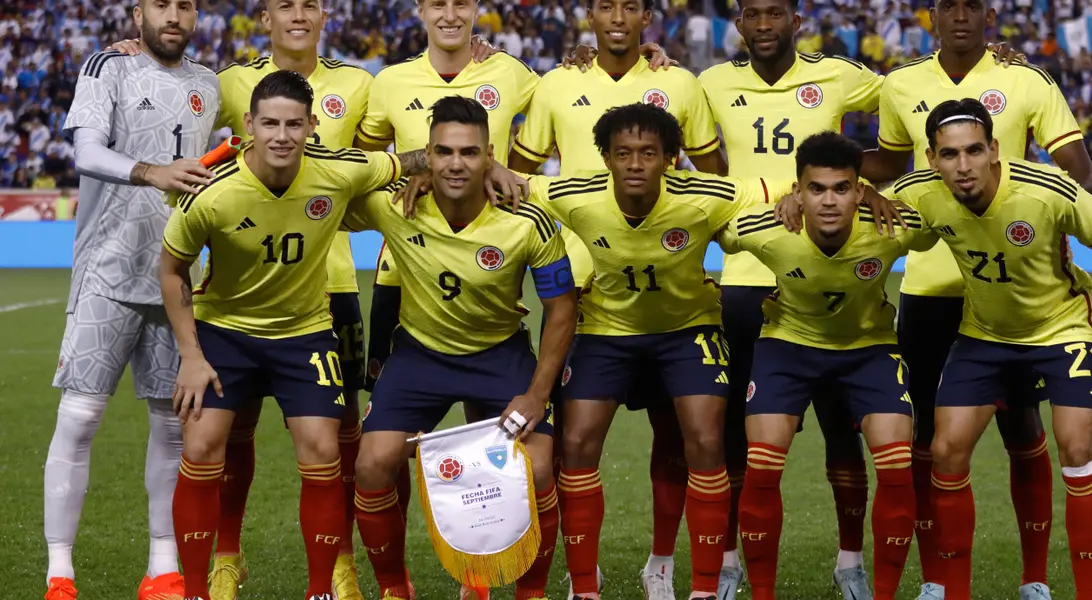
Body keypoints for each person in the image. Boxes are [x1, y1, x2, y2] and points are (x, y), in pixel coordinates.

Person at [862, 1, 1092, 597]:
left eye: (972, 6)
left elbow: (1082, 177)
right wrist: (833, 174)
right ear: (932, 17)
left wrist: (1029, 220)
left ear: (989, 17)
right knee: (928, 441)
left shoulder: (1026, 79)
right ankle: (938, 581)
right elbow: (886, 165)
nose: (961, 16)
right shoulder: (900, 84)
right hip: (927, 287)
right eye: (949, 6)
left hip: (1008, 299)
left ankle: (1035, 579)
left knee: (1022, 429)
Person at [514, 103, 790, 600]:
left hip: (687, 332)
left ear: (670, 159)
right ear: (605, 158)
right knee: (576, 443)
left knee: (705, 441)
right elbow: (508, 180)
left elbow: (794, 184)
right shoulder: (575, 194)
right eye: (623, 153)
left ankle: (702, 589)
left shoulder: (705, 196)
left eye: (648, 153)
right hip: (605, 331)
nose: (635, 163)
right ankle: (584, 589)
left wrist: (849, 191)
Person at [157, 70, 409, 600]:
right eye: (269, 123)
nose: (281, 135)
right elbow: (172, 270)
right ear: (248, 125)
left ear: (312, 126)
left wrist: (480, 167)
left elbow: (408, 161)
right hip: (225, 331)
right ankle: (196, 590)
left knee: (322, 447)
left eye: (294, 124)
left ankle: (320, 590)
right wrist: (190, 356)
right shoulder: (211, 192)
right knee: (201, 444)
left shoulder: (337, 171)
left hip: (304, 333)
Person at [508, 2, 723, 595]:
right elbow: (513, 176)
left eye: (630, 5)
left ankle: (663, 565)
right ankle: (585, 573)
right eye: (606, 5)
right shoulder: (557, 82)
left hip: (669, 291)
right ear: (590, 13)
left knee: (678, 438)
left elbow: (716, 181)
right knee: (573, 441)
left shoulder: (679, 83)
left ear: (647, 15)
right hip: (580, 296)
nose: (618, 15)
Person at [887, 98, 1092, 600]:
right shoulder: (921, 193)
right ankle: (956, 591)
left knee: (1076, 446)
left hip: (1061, 331)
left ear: (994, 149)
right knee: (945, 449)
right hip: (984, 335)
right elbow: (861, 201)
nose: (964, 165)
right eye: (949, 154)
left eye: (974, 150)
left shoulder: (1045, 190)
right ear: (932, 159)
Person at [344, 96, 577, 600]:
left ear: (490, 156)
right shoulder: (396, 204)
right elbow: (332, 183)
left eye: (470, 153)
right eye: (444, 152)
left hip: (499, 354)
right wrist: (407, 171)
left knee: (538, 466)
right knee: (372, 463)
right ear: (427, 154)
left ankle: (530, 593)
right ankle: (395, 588)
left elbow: (561, 309)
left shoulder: (525, 220)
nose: (456, 164)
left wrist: (536, 395)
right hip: (420, 355)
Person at [696, 0, 884, 594]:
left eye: (775, 13)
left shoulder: (837, 74)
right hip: (746, 276)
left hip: (828, 274)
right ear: (740, 24)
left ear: (795, 22)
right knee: (736, 432)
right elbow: (670, 125)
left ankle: (850, 562)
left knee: (841, 427)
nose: (764, 25)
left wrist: (865, 182)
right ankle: (729, 560)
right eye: (753, 14)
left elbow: (912, 102)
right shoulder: (710, 82)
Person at [46, 1, 219, 598]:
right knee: (80, 417)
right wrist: (153, 171)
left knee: (172, 426)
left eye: (185, 6)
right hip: (108, 272)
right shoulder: (107, 67)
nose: (173, 15)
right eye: (161, 4)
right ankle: (59, 573)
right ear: (139, 11)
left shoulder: (208, 83)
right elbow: (87, 154)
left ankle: (162, 569)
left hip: (177, 281)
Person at [723, 132, 931, 600]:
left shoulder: (893, 225)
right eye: (816, 189)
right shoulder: (765, 228)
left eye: (842, 189)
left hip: (868, 348)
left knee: (896, 466)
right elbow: (714, 227)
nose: (830, 201)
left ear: (860, 191)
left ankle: (880, 592)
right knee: (762, 464)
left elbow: (951, 212)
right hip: (787, 347)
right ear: (798, 192)